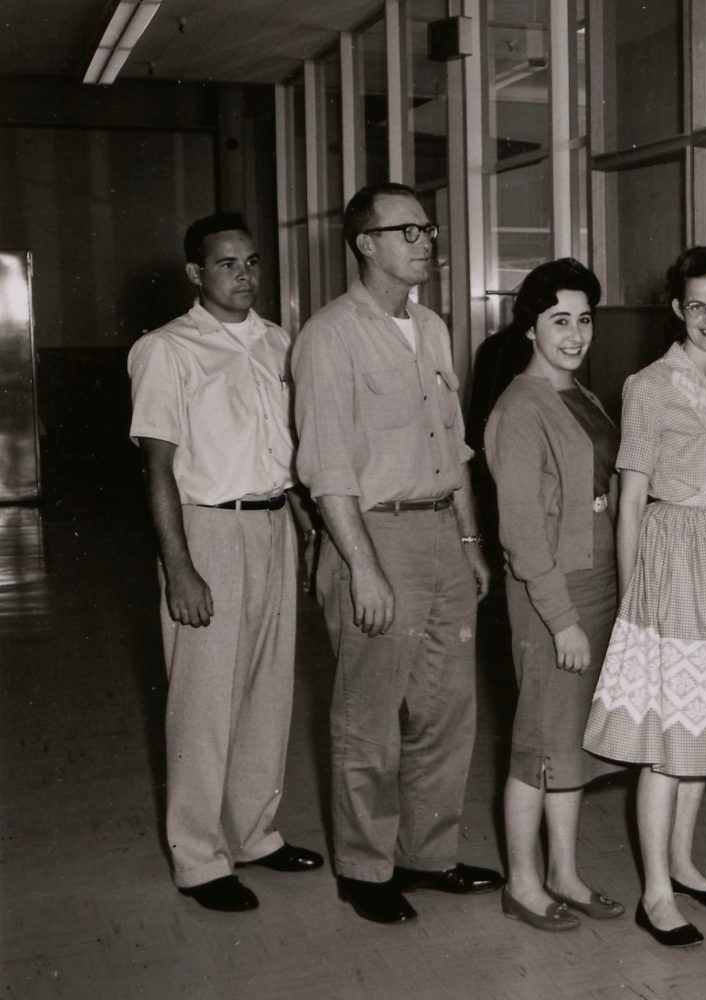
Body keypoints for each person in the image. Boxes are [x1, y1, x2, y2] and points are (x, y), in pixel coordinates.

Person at [291, 183, 501, 924]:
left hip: (442, 532)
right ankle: (364, 866)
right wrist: (363, 569)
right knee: (368, 717)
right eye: (405, 230)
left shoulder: (434, 328)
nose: (425, 241)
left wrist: (471, 542)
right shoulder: (328, 336)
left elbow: (457, 448)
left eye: (428, 227)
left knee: (447, 710)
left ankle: (428, 854)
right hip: (372, 537)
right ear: (364, 244)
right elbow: (326, 469)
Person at [584, 246, 706, 949]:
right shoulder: (649, 386)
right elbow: (631, 497)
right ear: (676, 308)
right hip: (672, 557)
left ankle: (684, 862)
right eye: (695, 305)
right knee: (670, 737)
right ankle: (656, 894)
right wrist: (636, 598)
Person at [127, 212, 324, 912]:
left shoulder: (278, 343)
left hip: (274, 525)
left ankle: (255, 834)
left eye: (251, 263)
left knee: (269, 692)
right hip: (206, 530)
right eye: (227, 264)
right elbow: (157, 470)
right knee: (203, 703)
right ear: (195, 274)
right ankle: (198, 856)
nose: (243, 275)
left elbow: (291, 456)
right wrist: (178, 566)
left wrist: (306, 530)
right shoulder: (166, 350)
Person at [484, 259, 626, 933]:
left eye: (584, 320)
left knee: (569, 743)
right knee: (538, 741)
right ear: (531, 326)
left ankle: (564, 873)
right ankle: (522, 882)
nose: (574, 335)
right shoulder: (518, 408)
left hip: (597, 584)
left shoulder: (583, 395)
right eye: (558, 321)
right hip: (553, 597)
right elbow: (520, 535)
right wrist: (562, 621)